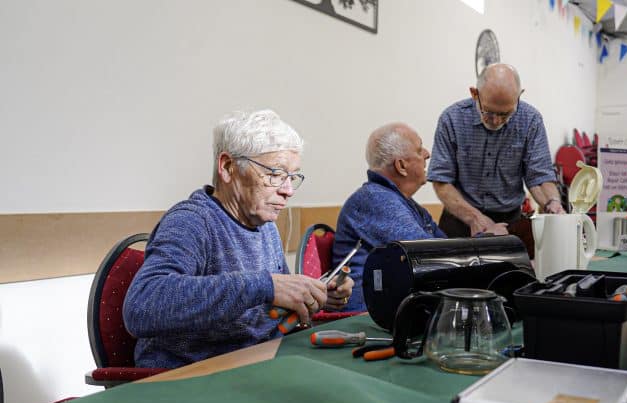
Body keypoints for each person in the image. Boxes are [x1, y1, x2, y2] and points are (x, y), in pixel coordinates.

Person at [123, 109, 353, 368]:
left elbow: (273, 306)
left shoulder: (264, 224)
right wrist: (266, 286)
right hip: (192, 378)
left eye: (292, 176)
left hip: (255, 363)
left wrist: (313, 297)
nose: (288, 190)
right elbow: (142, 306)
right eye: (275, 174)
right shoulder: (191, 221)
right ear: (228, 167)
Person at [331, 123, 508, 312]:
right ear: (401, 165)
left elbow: (446, 248)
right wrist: (488, 240)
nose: (427, 154)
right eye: (419, 149)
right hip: (364, 317)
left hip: (390, 311)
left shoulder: (400, 200)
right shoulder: (375, 199)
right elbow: (430, 256)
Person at [427, 63, 565, 238]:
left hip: (509, 222)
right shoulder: (452, 119)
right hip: (460, 219)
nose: (497, 121)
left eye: (506, 114)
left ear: (519, 96)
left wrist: (552, 203)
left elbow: (539, 177)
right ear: (474, 94)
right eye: (489, 112)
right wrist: (474, 218)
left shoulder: (531, 121)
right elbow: (441, 181)